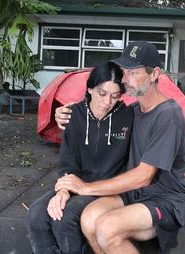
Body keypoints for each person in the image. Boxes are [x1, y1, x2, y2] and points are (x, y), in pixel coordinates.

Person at [54, 41, 185, 254]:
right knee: (89, 219)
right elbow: (96, 113)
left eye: (134, 73)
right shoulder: (135, 110)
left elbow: (144, 176)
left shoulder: (168, 114)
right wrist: (65, 113)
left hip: (167, 197)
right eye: (124, 72)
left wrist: (85, 187)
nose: (125, 79)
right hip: (135, 193)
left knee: (107, 228)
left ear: (154, 73)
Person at [27, 62, 134, 254]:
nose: (107, 101)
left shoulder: (129, 117)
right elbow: (67, 161)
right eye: (102, 93)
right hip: (77, 181)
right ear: (90, 89)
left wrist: (178, 163)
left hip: (109, 187)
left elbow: (152, 145)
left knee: (66, 218)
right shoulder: (73, 115)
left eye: (115, 95)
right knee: (37, 214)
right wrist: (63, 190)